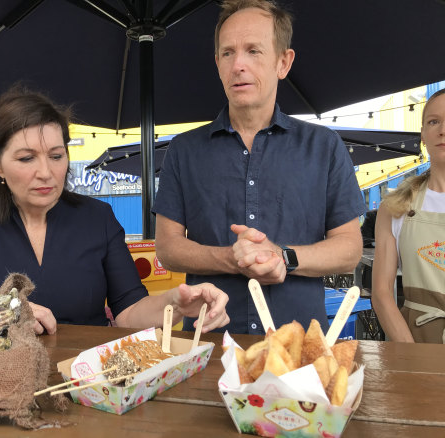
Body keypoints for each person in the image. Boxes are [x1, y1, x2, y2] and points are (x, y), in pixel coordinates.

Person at [0, 87, 230, 335]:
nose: (46, 172)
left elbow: (127, 314)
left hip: (90, 382)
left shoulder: (98, 218)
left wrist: (175, 303)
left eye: (57, 156)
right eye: (27, 158)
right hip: (4, 379)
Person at [152, 0, 365, 334]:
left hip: (299, 350)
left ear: (283, 62)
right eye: (227, 53)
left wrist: (284, 257)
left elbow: (349, 249)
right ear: (218, 64)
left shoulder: (323, 147)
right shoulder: (184, 150)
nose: (238, 64)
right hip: (208, 345)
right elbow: (167, 248)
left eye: (253, 51)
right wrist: (233, 258)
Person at [372, 89, 445, 343]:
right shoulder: (396, 207)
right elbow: (381, 294)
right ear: (423, 135)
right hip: (416, 342)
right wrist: (412, 355)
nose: (442, 130)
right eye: (434, 122)